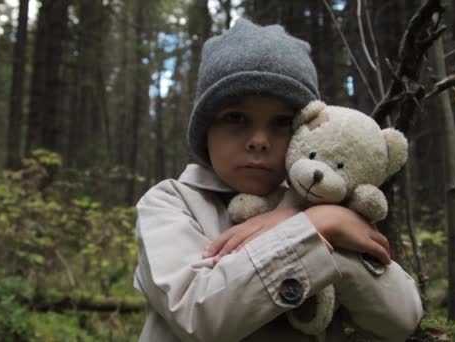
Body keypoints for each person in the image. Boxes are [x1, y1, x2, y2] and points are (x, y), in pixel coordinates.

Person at [133, 18, 423, 342]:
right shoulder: (170, 203)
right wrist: (311, 229)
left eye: (281, 122)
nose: (259, 140)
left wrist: (316, 223)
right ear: (205, 131)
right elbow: (196, 315)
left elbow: (403, 317)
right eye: (235, 118)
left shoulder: (331, 206)